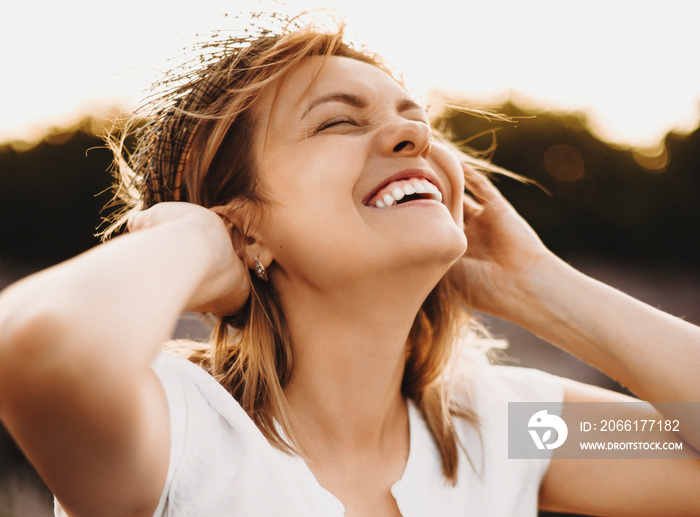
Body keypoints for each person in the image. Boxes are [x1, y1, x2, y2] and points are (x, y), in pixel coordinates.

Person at [0, 11, 698, 517]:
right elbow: (41, 346)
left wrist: (540, 285)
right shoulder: (180, 430)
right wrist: (196, 239)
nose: (412, 134)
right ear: (240, 222)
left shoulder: (502, 427)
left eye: (414, 118)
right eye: (339, 119)